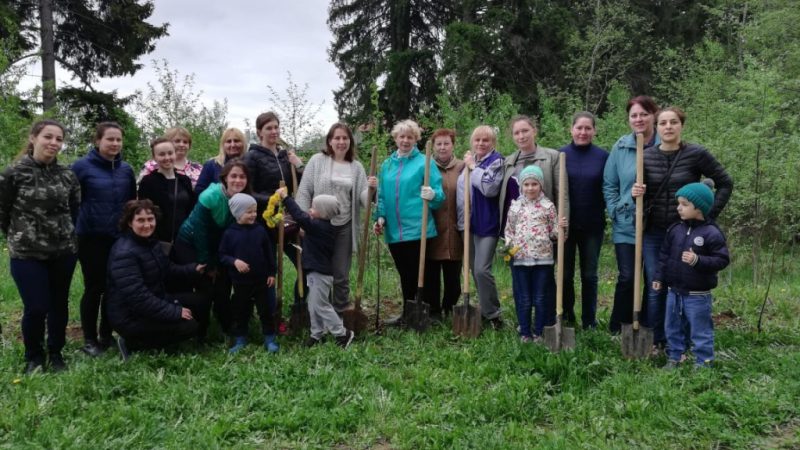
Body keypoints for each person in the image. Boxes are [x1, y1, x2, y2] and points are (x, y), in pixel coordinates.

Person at [632, 106, 733, 350]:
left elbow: (725, 183)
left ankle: (685, 339)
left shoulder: (696, 154)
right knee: (657, 285)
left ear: (681, 126)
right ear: (656, 127)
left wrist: (706, 214)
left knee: (685, 286)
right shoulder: (645, 155)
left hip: (687, 233)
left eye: (673, 122)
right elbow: (640, 193)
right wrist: (635, 193)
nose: (668, 127)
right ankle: (658, 340)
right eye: (663, 123)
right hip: (655, 232)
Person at [0, 120, 80, 373]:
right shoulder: (12, 173)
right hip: (27, 254)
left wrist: (66, 235)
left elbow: (75, 210)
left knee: (59, 305)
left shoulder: (67, 175)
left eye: (58, 139)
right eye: (48, 137)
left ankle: (56, 353)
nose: (54, 143)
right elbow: (3, 213)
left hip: (63, 252)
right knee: (36, 307)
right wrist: (19, 236)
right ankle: (34, 356)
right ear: (33, 138)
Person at [107, 200, 209, 359]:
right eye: (140, 220)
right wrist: (175, 311)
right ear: (129, 222)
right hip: (129, 316)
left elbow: (167, 269)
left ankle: (197, 340)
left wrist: (193, 269)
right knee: (189, 326)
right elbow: (139, 298)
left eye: (150, 219)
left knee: (201, 301)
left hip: (156, 299)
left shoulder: (150, 243)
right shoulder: (124, 253)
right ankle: (132, 343)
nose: (147, 225)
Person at [71, 121, 136, 357]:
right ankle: (89, 339)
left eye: (119, 139)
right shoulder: (81, 167)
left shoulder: (126, 170)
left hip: (118, 239)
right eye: (110, 139)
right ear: (97, 141)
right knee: (94, 288)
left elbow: (131, 204)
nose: (115, 143)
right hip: (90, 238)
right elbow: (70, 201)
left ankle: (107, 334)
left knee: (114, 287)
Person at [373, 119, 444, 324]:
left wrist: (432, 195)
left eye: (410, 137)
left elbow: (438, 194)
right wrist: (380, 217)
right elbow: (383, 197)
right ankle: (409, 312)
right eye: (402, 136)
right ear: (395, 138)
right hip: (395, 230)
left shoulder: (425, 162)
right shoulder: (386, 165)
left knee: (426, 273)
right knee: (405, 274)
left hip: (418, 227)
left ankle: (431, 313)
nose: (405, 140)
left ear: (416, 139)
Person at [652, 183, 730, 369]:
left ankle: (704, 362)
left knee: (700, 330)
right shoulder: (675, 230)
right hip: (674, 291)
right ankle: (675, 357)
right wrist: (658, 278)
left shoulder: (711, 233)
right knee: (672, 327)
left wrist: (698, 260)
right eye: (679, 203)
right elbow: (664, 257)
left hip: (698, 295)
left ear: (699, 208)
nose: (679, 208)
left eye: (684, 204)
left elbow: (722, 260)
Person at [295, 123, 369, 313]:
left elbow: (362, 197)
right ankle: (319, 310)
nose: (341, 142)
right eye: (337, 138)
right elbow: (304, 191)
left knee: (341, 273)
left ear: (350, 142)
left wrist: (372, 190)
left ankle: (341, 310)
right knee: (319, 270)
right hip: (318, 226)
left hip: (345, 224)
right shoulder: (317, 161)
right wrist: (303, 221)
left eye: (345, 138)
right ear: (329, 141)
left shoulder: (357, 167)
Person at [602, 95, 660, 334]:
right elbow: (609, 183)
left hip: (658, 223)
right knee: (627, 277)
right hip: (627, 221)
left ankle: (649, 326)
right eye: (634, 115)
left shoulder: (664, 145)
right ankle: (619, 327)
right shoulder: (621, 146)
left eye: (644, 114)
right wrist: (616, 208)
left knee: (653, 278)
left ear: (653, 116)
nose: (639, 119)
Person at [175, 160, 252, 336]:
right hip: (190, 242)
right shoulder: (210, 195)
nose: (238, 180)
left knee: (223, 284)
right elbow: (200, 233)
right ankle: (199, 330)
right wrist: (207, 264)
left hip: (217, 246)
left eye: (242, 176)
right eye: (233, 176)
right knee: (205, 286)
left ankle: (227, 324)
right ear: (224, 178)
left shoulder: (244, 198)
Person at [244, 111, 305, 315]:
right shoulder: (252, 157)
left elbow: (302, 184)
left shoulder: (285, 156)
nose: (274, 131)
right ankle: (270, 316)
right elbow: (248, 191)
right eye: (269, 128)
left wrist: (298, 165)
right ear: (259, 132)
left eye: (276, 127)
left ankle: (300, 308)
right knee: (268, 272)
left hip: (288, 220)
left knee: (306, 263)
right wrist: (273, 199)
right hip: (265, 222)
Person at [280, 187, 355, 348]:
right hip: (316, 272)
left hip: (320, 273)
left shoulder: (318, 226)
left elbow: (299, 216)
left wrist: (286, 198)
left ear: (322, 212)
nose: (310, 210)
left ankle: (342, 333)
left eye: (313, 208)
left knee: (320, 306)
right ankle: (317, 334)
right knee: (313, 306)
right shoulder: (323, 228)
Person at [504, 166, 565, 342]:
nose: (530, 188)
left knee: (540, 297)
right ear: (521, 186)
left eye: (534, 184)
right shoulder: (515, 207)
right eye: (527, 184)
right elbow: (509, 231)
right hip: (520, 259)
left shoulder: (548, 206)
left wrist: (560, 227)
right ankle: (525, 332)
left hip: (543, 260)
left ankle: (538, 331)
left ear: (541, 185)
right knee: (524, 298)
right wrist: (510, 249)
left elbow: (554, 234)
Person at [559, 112, 608, 329]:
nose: (583, 132)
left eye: (588, 128)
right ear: (571, 129)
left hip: (592, 225)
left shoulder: (603, 157)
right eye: (579, 128)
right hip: (565, 226)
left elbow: (610, 187)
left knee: (589, 275)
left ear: (594, 131)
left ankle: (589, 320)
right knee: (565, 274)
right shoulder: (560, 155)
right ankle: (567, 315)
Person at [456, 125, 505, 328]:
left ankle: (494, 314)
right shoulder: (469, 162)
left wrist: (474, 168)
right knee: (473, 270)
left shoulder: (497, 161)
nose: (481, 144)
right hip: (467, 224)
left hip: (487, 224)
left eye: (486, 140)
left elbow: (489, 188)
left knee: (482, 270)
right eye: (477, 140)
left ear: (493, 142)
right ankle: (485, 311)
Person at [218, 193, 279, 354]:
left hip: (261, 281)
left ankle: (270, 338)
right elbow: (222, 255)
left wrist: (272, 273)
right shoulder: (230, 233)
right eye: (249, 212)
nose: (253, 215)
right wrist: (235, 262)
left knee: (265, 310)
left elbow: (268, 254)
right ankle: (240, 338)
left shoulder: (260, 230)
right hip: (240, 282)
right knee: (241, 310)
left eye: (255, 211)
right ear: (237, 213)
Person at [499, 115, 568, 234]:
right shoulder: (508, 162)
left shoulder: (552, 157)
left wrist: (563, 230)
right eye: (516, 133)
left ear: (534, 131)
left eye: (525, 131)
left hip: (543, 230)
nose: (521, 136)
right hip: (516, 230)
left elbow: (562, 194)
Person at [424, 128, 465, 320]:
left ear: (453, 145)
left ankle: (449, 308)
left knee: (453, 279)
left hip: (454, 230)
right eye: (438, 144)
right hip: (432, 228)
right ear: (433, 147)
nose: (442, 147)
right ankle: (433, 311)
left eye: (446, 143)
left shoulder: (463, 167)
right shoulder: (426, 167)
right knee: (431, 276)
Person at [137, 137, 196, 244]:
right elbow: (144, 211)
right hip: (158, 240)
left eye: (170, 153)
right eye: (162, 154)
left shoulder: (184, 180)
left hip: (184, 238)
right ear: (154, 157)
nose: (167, 157)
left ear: (175, 154)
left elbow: (191, 209)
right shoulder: (148, 182)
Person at [138, 127, 203, 188]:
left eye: (185, 142)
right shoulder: (151, 166)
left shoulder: (198, 168)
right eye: (177, 141)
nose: (181, 144)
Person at [196, 128, 246, 195]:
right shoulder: (212, 165)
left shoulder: (249, 164)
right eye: (229, 141)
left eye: (236, 141)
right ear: (223, 145)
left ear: (243, 143)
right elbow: (199, 190)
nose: (233, 145)